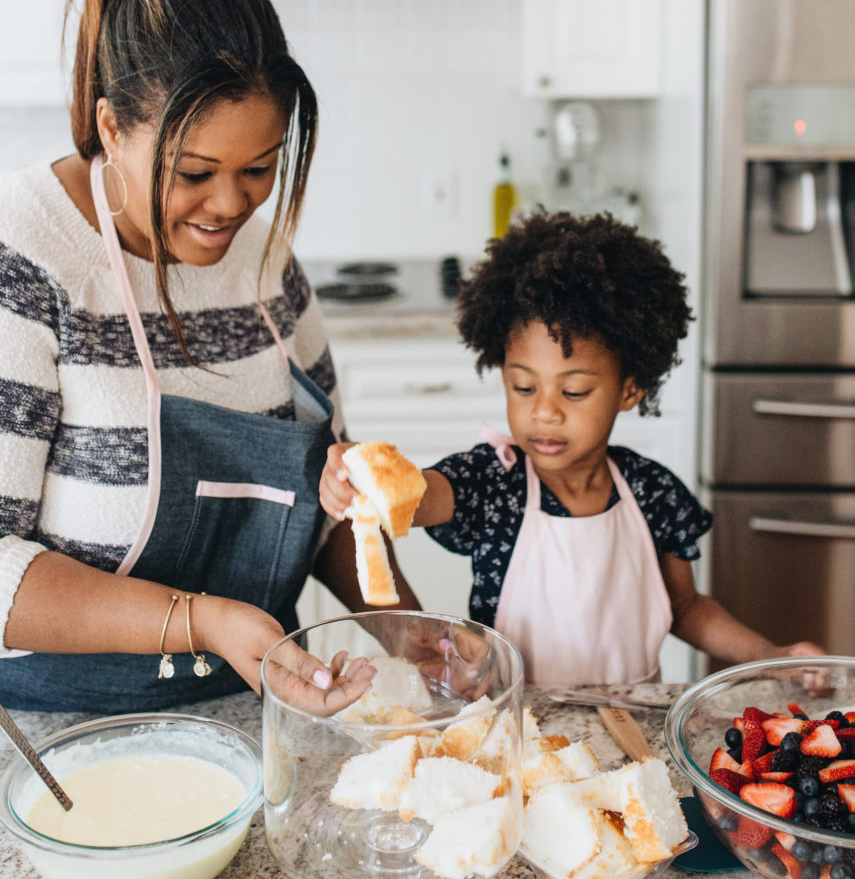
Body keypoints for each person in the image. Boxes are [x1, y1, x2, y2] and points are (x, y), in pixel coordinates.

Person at [0, 0, 416, 714]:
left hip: (261, 712)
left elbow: (327, 496)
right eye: (194, 172)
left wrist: (401, 622)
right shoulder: (25, 254)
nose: (229, 205)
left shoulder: (263, 262)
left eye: (259, 168)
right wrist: (199, 620)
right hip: (57, 737)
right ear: (112, 128)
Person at [321, 211, 825, 685]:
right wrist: (367, 471)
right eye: (523, 387)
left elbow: (686, 607)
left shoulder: (652, 492)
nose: (545, 411)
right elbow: (422, 494)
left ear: (630, 388)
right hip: (522, 728)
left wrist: (769, 658)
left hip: (636, 727)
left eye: (575, 391)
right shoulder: (493, 483)